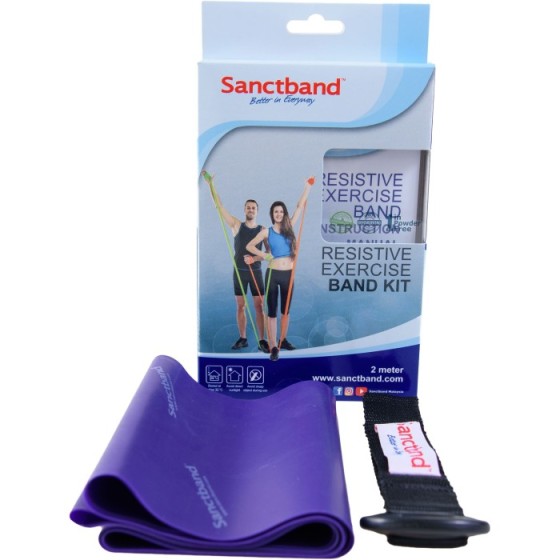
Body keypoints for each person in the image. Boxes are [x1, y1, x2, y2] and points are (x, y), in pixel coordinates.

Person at [246, 177, 314, 361]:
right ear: (272, 214)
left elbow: (299, 206)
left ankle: (282, 340)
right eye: (276, 211)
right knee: (272, 311)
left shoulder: (289, 227)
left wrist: (307, 187)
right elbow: (250, 246)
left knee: (286, 311)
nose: (279, 214)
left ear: (284, 214)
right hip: (273, 274)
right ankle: (273, 346)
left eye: (281, 211)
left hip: (288, 275)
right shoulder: (266, 231)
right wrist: (264, 255)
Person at [203, 173, 269, 352]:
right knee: (240, 306)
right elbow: (219, 206)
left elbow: (269, 254)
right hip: (239, 272)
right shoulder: (236, 225)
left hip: (255, 272)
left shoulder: (263, 230)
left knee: (259, 306)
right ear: (244, 210)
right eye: (248, 207)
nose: (251, 210)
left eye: (253, 208)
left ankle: (262, 340)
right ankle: (243, 338)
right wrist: (211, 185)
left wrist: (255, 258)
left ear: (257, 211)